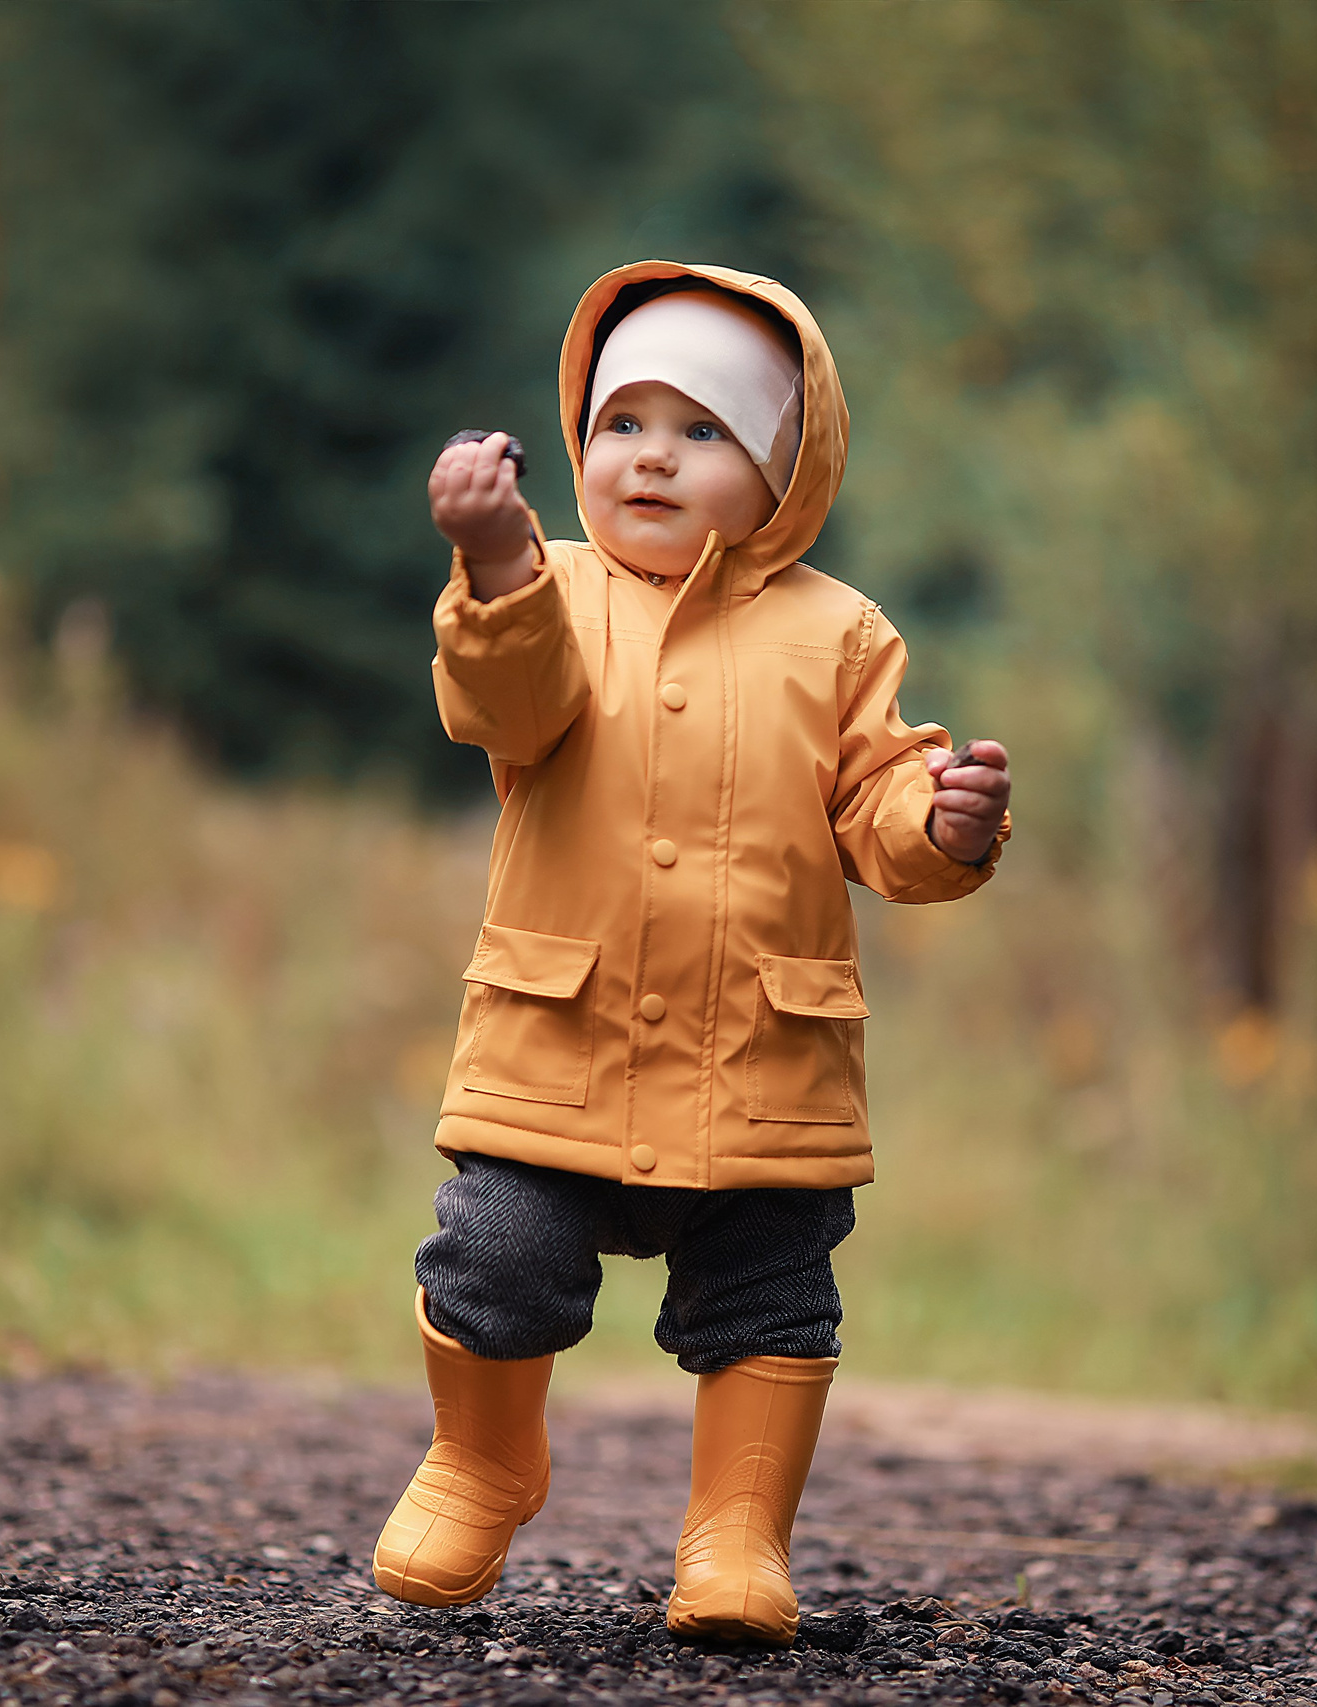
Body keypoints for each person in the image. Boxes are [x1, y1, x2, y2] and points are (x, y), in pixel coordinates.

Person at [374, 261, 1011, 1645]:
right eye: (621, 423)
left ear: (785, 469)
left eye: (704, 429)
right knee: (494, 1254)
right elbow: (506, 704)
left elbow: (878, 804)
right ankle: (484, 1461)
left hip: (762, 1064)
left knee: (772, 1295)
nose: (651, 454)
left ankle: (735, 1534)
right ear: (580, 446)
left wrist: (942, 824)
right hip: (561, 1048)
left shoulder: (837, 634)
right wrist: (491, 562)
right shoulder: (547, 596)